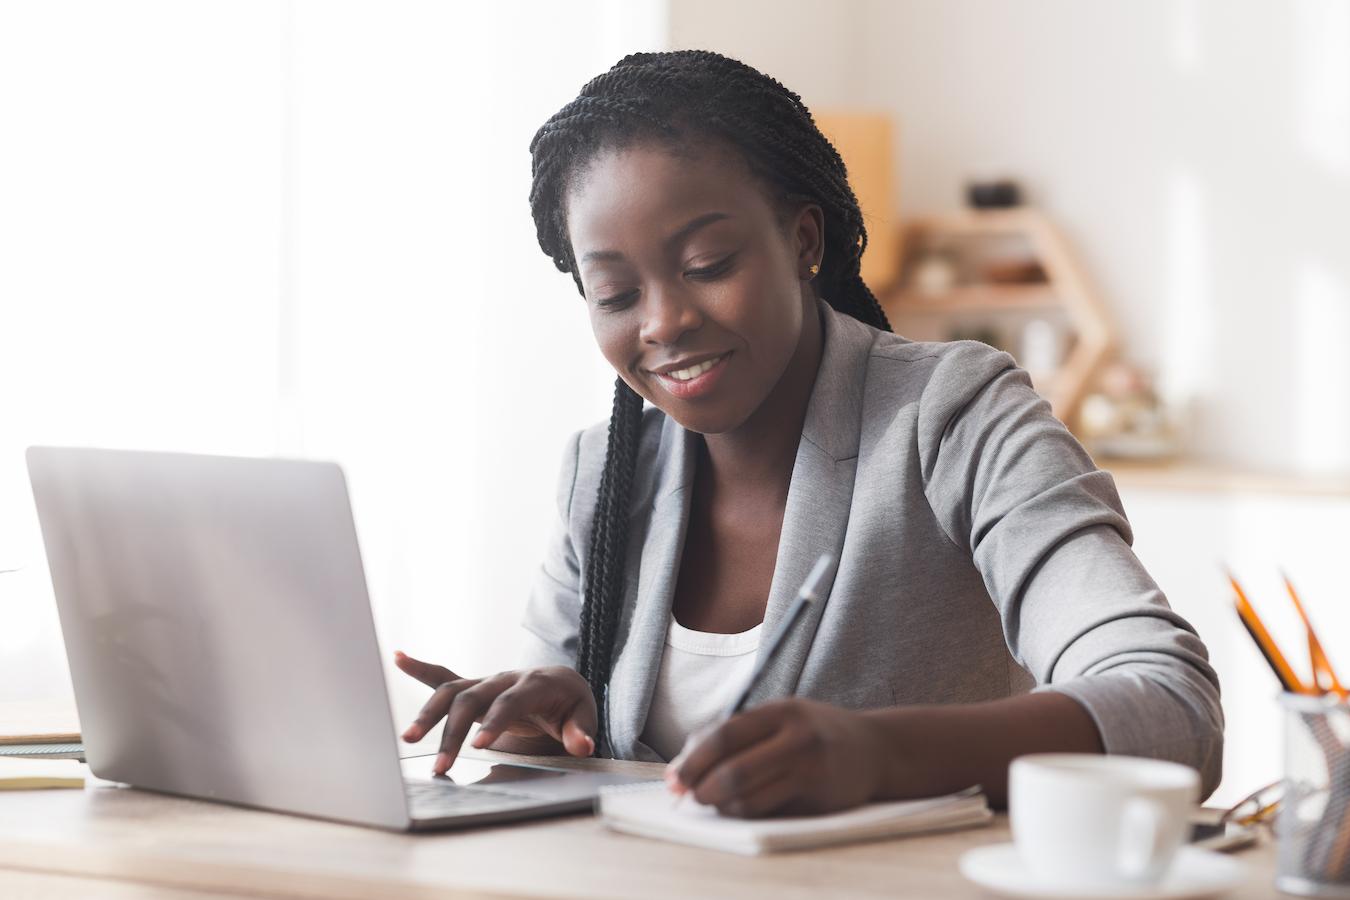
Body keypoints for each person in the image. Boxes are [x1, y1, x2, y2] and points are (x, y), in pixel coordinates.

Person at [395, 49, 1223, 818]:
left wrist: (883, 755)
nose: (664, 323)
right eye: (613, 295)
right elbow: (561, 764)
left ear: (803, 240)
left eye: (708, 264)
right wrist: (533, 728)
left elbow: (1172, 706)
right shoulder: (605, 471)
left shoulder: (953, 414)